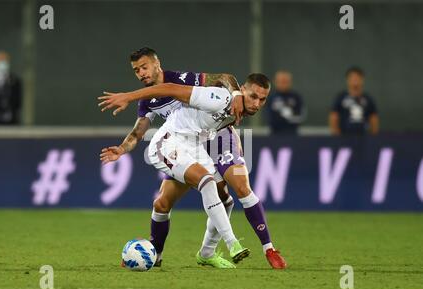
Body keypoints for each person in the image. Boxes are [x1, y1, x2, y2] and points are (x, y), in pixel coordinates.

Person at [99, 48, 287, 269]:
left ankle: (216, 251)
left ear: (157, 64)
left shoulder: (183, 80)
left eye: (144, 67)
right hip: (178, 141)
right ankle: (156, 253)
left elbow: (224, 78)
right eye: (136, 70)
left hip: (209, 140)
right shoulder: (150, 100)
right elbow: (138, 132)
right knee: (163, 202)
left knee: (231, 194)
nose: (140, 73)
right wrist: (122, 147)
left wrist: (236, 96)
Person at [329, 66, 379, 135]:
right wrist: (337, 136)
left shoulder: (368, 99)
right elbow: (333, 117)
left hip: (364, 138)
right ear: (347, 80)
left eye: (357, 78)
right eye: (352, 78)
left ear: (362, 79)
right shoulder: (341, 98)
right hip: (344, 138)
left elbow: (373, 119)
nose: (355, 80)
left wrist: (373, 136)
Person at [265, 70, 304, 135]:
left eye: (285, 81)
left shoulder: (296, 97)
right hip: (274, 134)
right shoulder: (270, 97)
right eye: (281, 81)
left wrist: (288, 117)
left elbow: (300, 116)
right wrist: (282, 117)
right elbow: (269, 117)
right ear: (275, 82)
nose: (283, 84)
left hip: (293, 134)